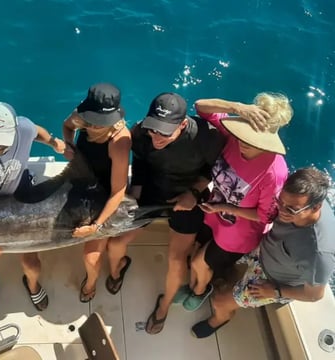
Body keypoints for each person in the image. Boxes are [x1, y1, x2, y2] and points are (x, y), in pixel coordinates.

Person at [116, 93, 225, 335]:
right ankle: (118, 268)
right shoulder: (142, 132)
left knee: (177, 261)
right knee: (117, 242)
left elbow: (213, 170)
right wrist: (135, 196)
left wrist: (194, 193)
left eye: (165, 132)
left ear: (183, 124)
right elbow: (141, 164)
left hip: (188, 195)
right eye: (153, 129)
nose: (156, 137)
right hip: (153, 191)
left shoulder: (208, 137)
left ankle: (164, 306)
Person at [192, 167, 335, 338]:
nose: (281, 211)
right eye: (280, 201)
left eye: (291, 209)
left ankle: (220, 318)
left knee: (219, 301)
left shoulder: (319, 253)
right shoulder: (297, 202)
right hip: (264, 249)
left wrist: (276, 291)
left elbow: (314, 295)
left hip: (273, 281)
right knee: (218, 258)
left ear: (315, 207)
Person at [183, 93, 293, 313]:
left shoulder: (274, 173)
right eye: (243, 135)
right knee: (194, 251)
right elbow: (200, 106)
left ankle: (198, 291)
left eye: (251, 141)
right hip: (213, 214)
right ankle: (195, 285)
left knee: (198, 263)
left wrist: (225, 208)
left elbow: (265, 216)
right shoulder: (235, 137)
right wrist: (237, 106)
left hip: (238, 234)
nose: (242, 143)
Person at [0, 101, 65, 314]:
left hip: (22, 198)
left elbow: (37, 132)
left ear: (15, 129)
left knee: (32, 265)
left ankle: (32, 284)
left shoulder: (24, 126)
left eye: (3, 143)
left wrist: (54, 143)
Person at [62, 83, 131, 303]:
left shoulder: (120, 141)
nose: (93, 125)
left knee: (90, 259)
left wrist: (96, 226)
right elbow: (67, 126)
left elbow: (118, 191)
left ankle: (91, 282)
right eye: (91, 120)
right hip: (81, 179)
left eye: (100, 123)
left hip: (105, 193)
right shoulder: (79, 116)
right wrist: (69, 144)